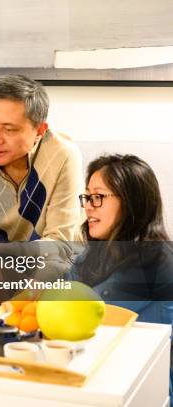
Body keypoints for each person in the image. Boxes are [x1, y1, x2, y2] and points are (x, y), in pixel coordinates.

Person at [70, 154, 173, 403]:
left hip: (143, 386)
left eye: (99, 196)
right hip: (94, 375)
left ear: (131, 202)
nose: (88, 205)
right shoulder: (91, 255)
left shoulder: (159, 259)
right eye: (87, 197)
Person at [0, 74, 83, 243]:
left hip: (64, 263)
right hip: (3, 260)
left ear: (40, 130)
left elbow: (59, 243)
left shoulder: (63, 154)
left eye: (9, 129)